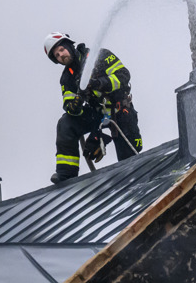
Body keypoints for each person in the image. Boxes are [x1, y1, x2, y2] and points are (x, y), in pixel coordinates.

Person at [45, 32, 143, 184]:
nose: (61, 55)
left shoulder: (99, 56)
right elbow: (68, 105)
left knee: (129, 163)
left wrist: (99, 83)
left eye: (62, 50)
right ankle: (66, 174)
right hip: (96, 114)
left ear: (69, 46)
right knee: (65, 123)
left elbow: (123, 76)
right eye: (57, 55)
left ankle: (132, 181)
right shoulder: (67, 78)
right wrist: (75, 106)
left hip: (119, 110)